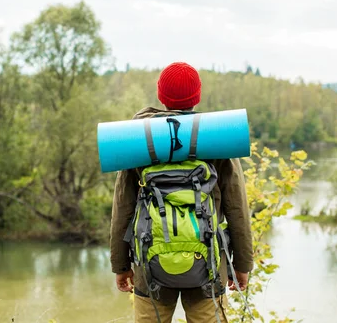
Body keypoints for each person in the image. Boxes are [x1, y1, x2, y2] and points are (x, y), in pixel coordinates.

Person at [109, 61, 254, 322]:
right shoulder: (215, 139)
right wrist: (242, 265)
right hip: (208, 264)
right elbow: (236, 209)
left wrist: (120, 265)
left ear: (161, 95)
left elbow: (123, 207)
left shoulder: (140, 140)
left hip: (149, 267)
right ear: (197, 96)